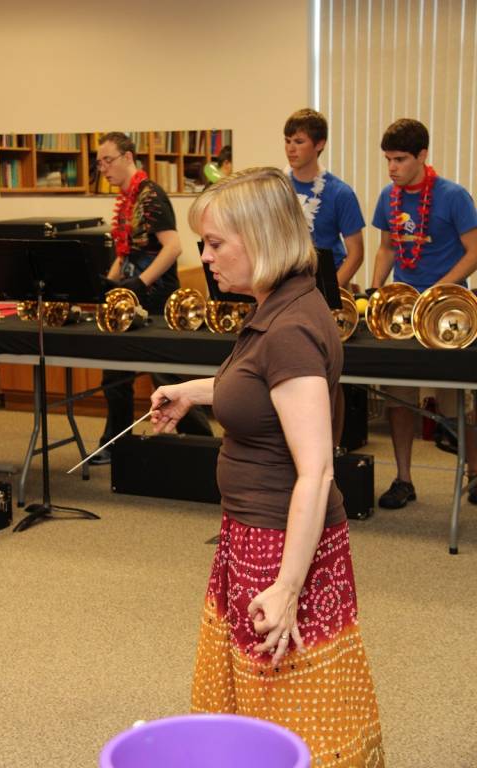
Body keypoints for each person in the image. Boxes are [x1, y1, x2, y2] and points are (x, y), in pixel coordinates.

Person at [150, 167, 384, 765]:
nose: (205, 257)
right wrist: (193, 392)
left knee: (289, 708)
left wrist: (286, 586)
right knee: (260, 700)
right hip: (258, 531)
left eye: (215, 243)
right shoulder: (281, 305)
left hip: (280, 542)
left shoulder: (289, 328)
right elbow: (260, 389)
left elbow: (317, 470)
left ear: (261, 239)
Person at [371, 118, 477, 508]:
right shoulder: (389, 196)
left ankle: (474, 473)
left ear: (422, 155)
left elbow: (474, 252)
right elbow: (387, 247)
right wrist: (377, 288)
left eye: (400, 159)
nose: (392, 167)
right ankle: (403, 479)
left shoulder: (454, 196)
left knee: (458, 403)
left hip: (447, 312)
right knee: (400, 399)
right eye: (388, 159)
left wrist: (438, 290)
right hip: (403, 310)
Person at [90, 132, 211, 464]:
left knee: (165, 378)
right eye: (99, 163)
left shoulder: (151, 196)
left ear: (128, 157)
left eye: (108, 160)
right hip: (132, 301)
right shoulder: (126, 200)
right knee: (115, 375)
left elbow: (173, 247)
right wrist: (110, 286)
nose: (103, 168)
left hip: (157, 300)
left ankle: (203, 444)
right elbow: (126, 252)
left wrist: (139, 284)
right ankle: (115, 442)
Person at [284, 107, 365, 446]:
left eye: (299, 141)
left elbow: (356, 252)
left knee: (326, 376)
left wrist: (329, 292)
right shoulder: (277, 189)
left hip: (324, 296)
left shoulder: (339, 193)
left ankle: (332, 448)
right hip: (285, 292)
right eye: (287, 140)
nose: (291, 148)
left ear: (319, 145)